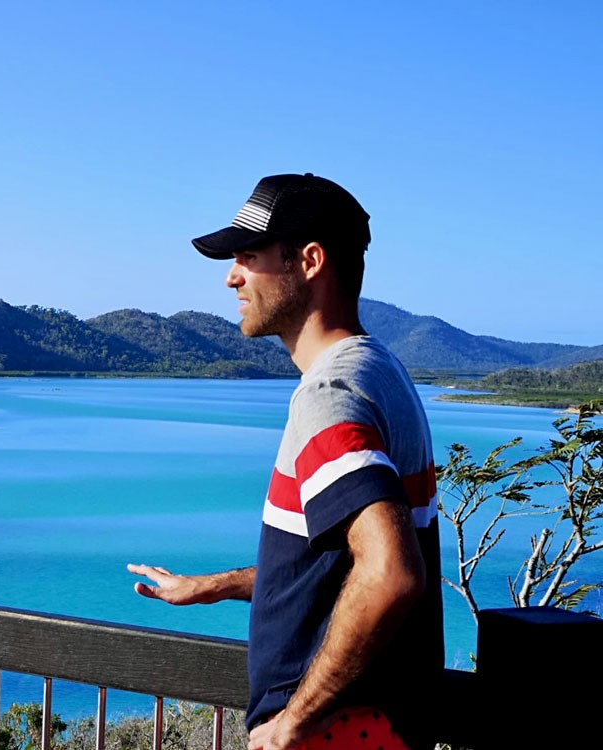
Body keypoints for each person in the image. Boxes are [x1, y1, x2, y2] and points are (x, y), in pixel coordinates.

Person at [128, 174, 443, 750]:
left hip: (335, 732)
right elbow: (339, 567)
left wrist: (293, 724)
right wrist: (214, 586)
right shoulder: (382, 372)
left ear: (310, 261)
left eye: (248, 257)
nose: (231, 277)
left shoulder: (329, 397)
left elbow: (391, 574)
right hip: (380, 727)